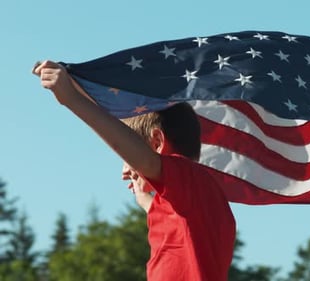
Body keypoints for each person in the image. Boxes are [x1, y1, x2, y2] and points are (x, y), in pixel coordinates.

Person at [34, 60, 236, 281]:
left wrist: (73, 99)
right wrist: (144, 199)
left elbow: (147, 163)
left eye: (127, 156)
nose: (124, 170)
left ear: (157, 142)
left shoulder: (191, 178)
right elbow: (178, 224)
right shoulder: (192, 200)